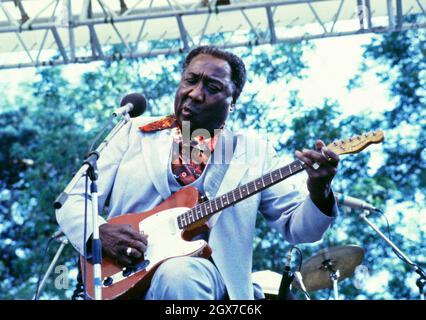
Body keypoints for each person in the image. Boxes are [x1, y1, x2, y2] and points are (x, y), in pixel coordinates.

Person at [56, 45, 340, 300]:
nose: (195, 93)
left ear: (234, 99)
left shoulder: (254, 152)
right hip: (123, 277)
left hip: (208, 280)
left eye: (213, 87)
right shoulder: (132, 132)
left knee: (180, 274)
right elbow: (73, 200)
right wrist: (99, 233)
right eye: (191, 81)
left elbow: (300, 228)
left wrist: (320, 190)